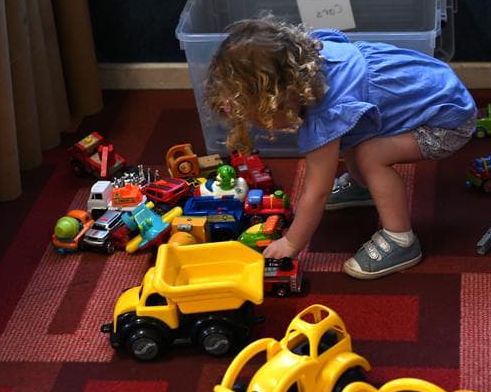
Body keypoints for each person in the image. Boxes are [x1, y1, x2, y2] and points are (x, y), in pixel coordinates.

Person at [204, 16, 476, 279]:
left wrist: (290, 243)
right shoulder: (311, 61)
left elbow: (316, 192)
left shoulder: (326, 111)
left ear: (279, 98)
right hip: (435, 91)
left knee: (371, 156)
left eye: (258, 117)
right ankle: (365, 185)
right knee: (352, 135)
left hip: (447, 122)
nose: (260, 125)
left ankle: (400, 239)